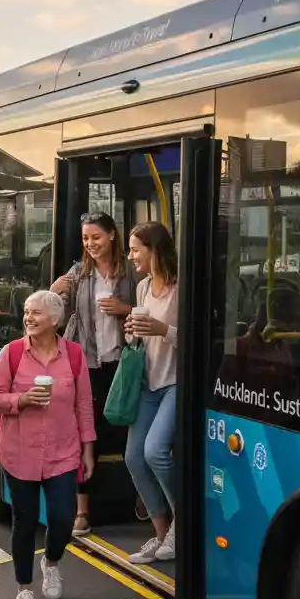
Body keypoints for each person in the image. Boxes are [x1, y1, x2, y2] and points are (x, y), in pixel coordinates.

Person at [0, 291, 95, 599]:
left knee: (63, 518)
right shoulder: (13, 353)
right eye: (26, 312)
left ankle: (50, 562)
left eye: (35, 313)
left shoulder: (74, 356)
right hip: (19, 454)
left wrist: (88, 449)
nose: (28, 318)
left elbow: (84, 406)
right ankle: (23, 591)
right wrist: (21, 400)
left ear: (55, 320)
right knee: (24, 522)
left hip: (63, 451)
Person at [51, 211, 136, 535]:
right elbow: (56, 306)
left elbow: (151, 306)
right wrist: (54, 290)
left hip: (123, 363)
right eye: (86, 239)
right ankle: (83, 510)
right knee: (86, 436)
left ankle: (139, 497)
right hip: (89, 364)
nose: (91, 244)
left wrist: (124, 309)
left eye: (96, 237)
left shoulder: (131, 272)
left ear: (112, 235)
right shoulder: (80, 272)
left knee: (132, 433)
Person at [123, 222, 179, 564]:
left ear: (154, 250)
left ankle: (181, 523)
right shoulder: (143, 288)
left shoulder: (181, 286)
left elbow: (203, 337)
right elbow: (141, 337)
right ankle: (160, 535)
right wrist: (133, 330)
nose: (131, 256)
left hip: (175, 381)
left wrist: (164, 330)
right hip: (148, 380)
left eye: (135, 249)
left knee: (156, 451)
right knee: (133, 457)